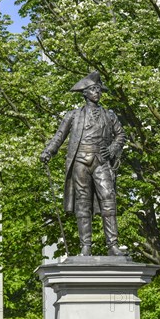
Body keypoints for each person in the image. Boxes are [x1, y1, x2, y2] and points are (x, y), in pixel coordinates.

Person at [41, 71, 126, 256]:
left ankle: (113, 245)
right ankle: (85, 246)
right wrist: (48, 151)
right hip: (80, 161)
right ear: (85, 93)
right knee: (82, 203)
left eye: (98, 89)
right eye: (93, 89)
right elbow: (59, 136)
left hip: (101, 161)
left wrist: (112, 149)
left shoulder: (109, 115)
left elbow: (121, 135)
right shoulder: (73, 115)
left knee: (108, 199)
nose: (97, 92)